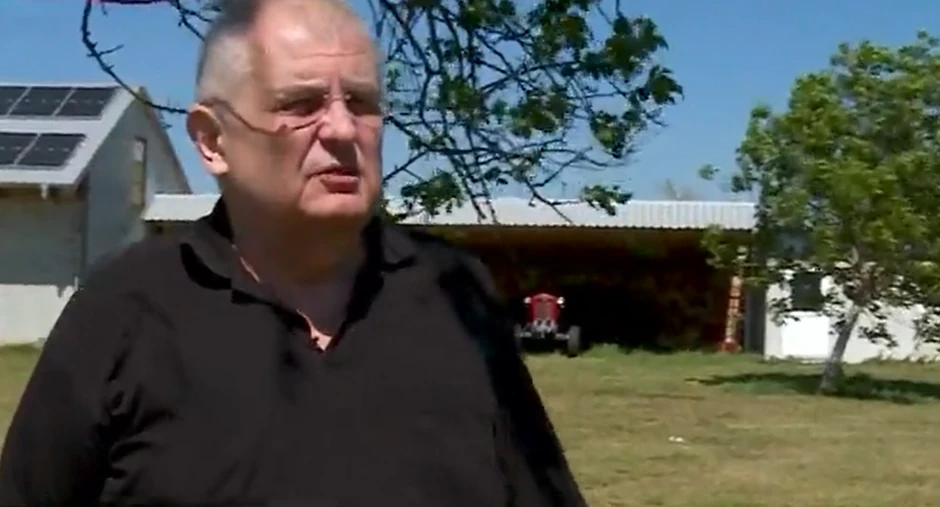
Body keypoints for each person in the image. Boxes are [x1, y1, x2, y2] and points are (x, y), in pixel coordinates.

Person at [0, 0, 588, 505]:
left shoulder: (454, 292)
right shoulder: (123, 310)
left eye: (361, 102)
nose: (342, 130)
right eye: (301, 105)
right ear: (213, 141)